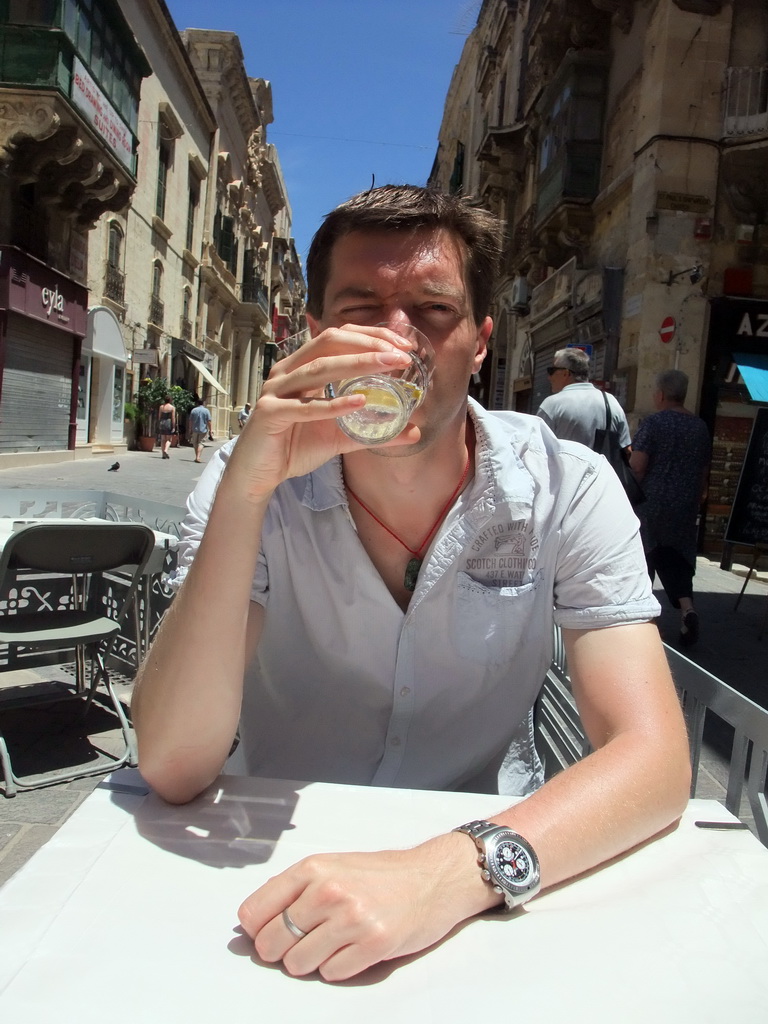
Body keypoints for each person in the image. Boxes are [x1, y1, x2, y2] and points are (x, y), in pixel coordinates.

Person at [132, 185, 690, 983]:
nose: (398, 341)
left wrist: (444, 875)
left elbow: (656, 756)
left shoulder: (569, 487)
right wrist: (247, 496)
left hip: (494, 870)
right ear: (314, 339)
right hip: (264, 876)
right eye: (362, 309)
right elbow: (174, 765)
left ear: (481, 341)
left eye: (431, 310)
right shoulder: (242, 482)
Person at [630, 369, 711, 646]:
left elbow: (638, 466)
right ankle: (687, 610)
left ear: (661, 394)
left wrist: (629, 493)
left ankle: (645, 621)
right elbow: (703, 471)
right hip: (684, 505)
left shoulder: (654, 423)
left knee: (645, 558)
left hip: (651, 503)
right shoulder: (700, 427)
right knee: (677, 559)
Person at [536, 347, 631, 452]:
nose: (549, 377)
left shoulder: (552, 405)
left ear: (565, 373)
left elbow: (536, 448)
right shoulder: (611, 402)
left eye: (551, 371)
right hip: (602, 468)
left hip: (565, 468)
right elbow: (627, 450)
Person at [188, 398, 212, 464]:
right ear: (203, 403)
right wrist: (210, 430)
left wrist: (190, 429)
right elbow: (209, 421)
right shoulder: (206, 411)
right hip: (203, 429)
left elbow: (190, 420)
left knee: (195, 443)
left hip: (195, 429)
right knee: (201, 443)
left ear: (197, 403)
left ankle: (197, 456)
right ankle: (198, 457)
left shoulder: (194, 410)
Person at [157, 395, 176, 460]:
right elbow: (173, 417)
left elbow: (159, 416)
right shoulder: (172, 407)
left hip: (162, 422)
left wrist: (159, 423)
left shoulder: (161, 407)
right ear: (170, 400)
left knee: (163, 439)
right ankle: (165, 450)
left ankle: (163, 454)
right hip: (168, 422)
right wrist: (173, 426)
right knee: (169, 439)